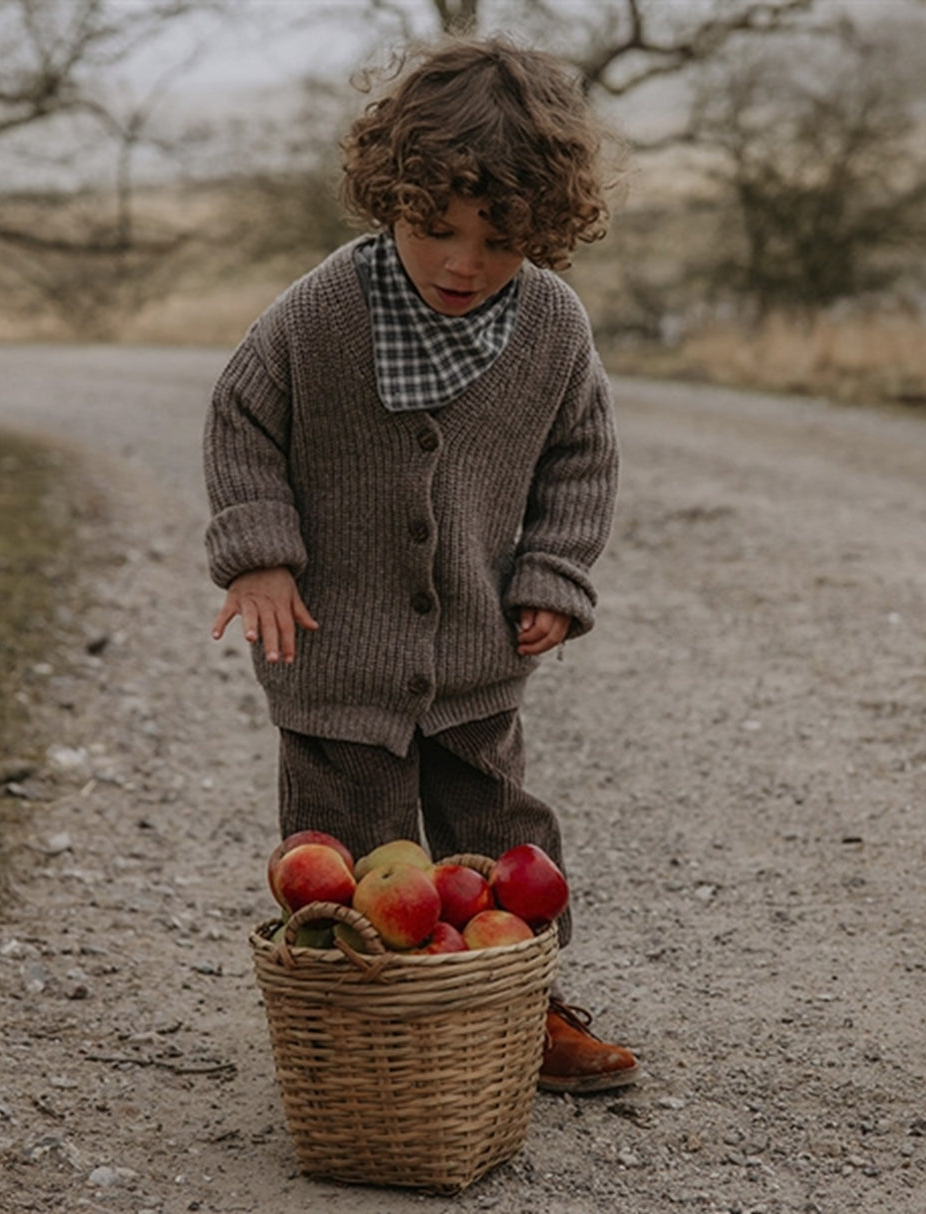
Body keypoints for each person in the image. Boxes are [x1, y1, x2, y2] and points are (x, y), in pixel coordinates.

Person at [203, 37, 637, 1093]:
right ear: (386, 198)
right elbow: (240, 417)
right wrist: (259, 556)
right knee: (347, 855)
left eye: (495, 241)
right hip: (334, 661)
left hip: (472, 655)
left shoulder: (550, 327)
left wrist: (552, 573)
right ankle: (362, 1040)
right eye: (432, 229)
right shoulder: (319, 315)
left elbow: (581, 456)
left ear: (543, 228)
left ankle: (518, 1005)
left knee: (503, 836)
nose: (460, 262)